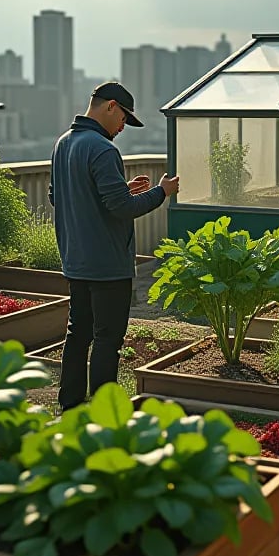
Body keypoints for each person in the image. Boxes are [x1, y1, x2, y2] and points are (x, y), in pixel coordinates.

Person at [49, 80, 179, 411]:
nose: (123, 127)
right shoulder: (104, 149)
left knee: (78, 335)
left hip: (76, 260)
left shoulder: (63, 144)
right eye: (124, 119)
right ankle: (104, 412)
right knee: (108, 339)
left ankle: (70, 405)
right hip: (108, 266)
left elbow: (60, 196)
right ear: (110, 106)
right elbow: (120, 209)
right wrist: (161, 192)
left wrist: (122, 189)